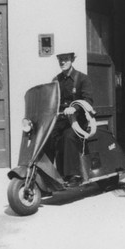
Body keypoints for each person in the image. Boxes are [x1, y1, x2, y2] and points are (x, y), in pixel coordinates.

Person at [48, 49, 94, 187]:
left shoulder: (82, 78)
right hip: (61, 120)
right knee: (47, 137)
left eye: (66, 59)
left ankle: (73, 175)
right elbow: (50, 100)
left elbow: (88, 100)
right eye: (60, 59)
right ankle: (47, 174)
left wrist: (74, 108)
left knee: (68, 136)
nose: (62, 62)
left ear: (72, 60)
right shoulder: (56, 80)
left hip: (77, 121)